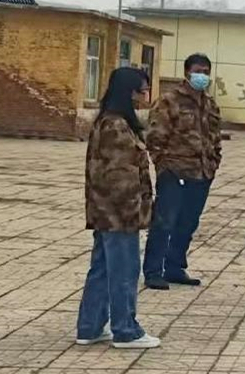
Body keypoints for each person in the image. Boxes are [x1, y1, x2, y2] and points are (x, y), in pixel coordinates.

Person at [77, 67, 160, 349]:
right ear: (129, 92)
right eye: (143, 90)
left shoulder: (111, 121)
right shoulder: (115, 126)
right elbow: (120, 177)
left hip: (107, 212)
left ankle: (90, 326)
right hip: (119, 213)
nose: (145, 96)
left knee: (102, 269)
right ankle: (126, 329)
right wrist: (135, 212)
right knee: (124, 270)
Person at [142, 53, 222, 290]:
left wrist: (214, 162)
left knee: (188, 222)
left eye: (206, 72)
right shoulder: (169, 101)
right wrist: (164, 167)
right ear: (187, 72)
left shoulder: (209, 104)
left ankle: (175, 267)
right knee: (164, 222)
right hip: (175, 171)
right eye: (198, 71)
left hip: (202, 173)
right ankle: (153, 270)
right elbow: (154, 136)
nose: (202, 76)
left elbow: (215, 137)